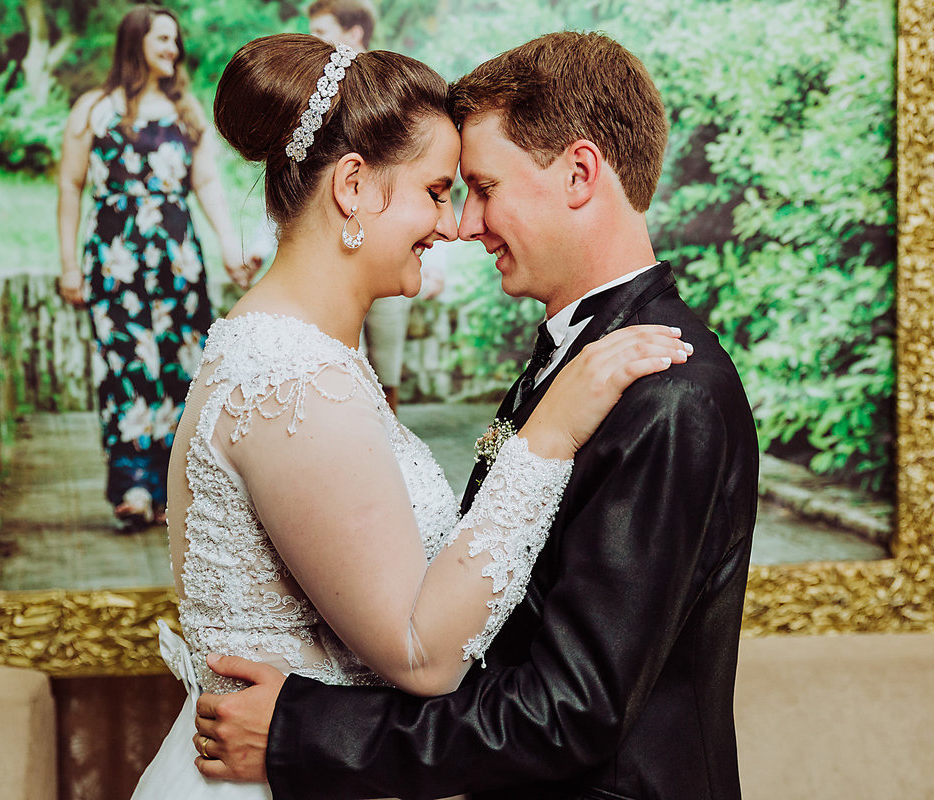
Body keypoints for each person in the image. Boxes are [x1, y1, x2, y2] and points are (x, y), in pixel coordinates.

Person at [195, 31, 759, 800]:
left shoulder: (667, 394)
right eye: (447, 191)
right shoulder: (569, 363)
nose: (463, 223)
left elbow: (571, 711)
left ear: (579, 173)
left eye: (483, 187)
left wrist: (305, 731)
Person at [56, 4, 254, 531]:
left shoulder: (186, 109)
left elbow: (207, 185)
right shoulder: (93, 110)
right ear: (135, 42)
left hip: (178, 259)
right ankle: (132, 486)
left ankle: (173, 488)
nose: (173, 49)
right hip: (114, 261)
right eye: (162, 38)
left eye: (175, 40)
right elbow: (69, 188)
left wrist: (230, 249)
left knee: (180, 366)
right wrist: (68, 267)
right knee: (124, 367)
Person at [247, 0, 445, 413]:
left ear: (354, 34)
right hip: (327, 268)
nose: (311, 43)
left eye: (321, 31)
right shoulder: (303, 377)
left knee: (382, 371)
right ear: (351, 183)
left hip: (379, 260)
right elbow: (298, 192)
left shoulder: (397, 96)